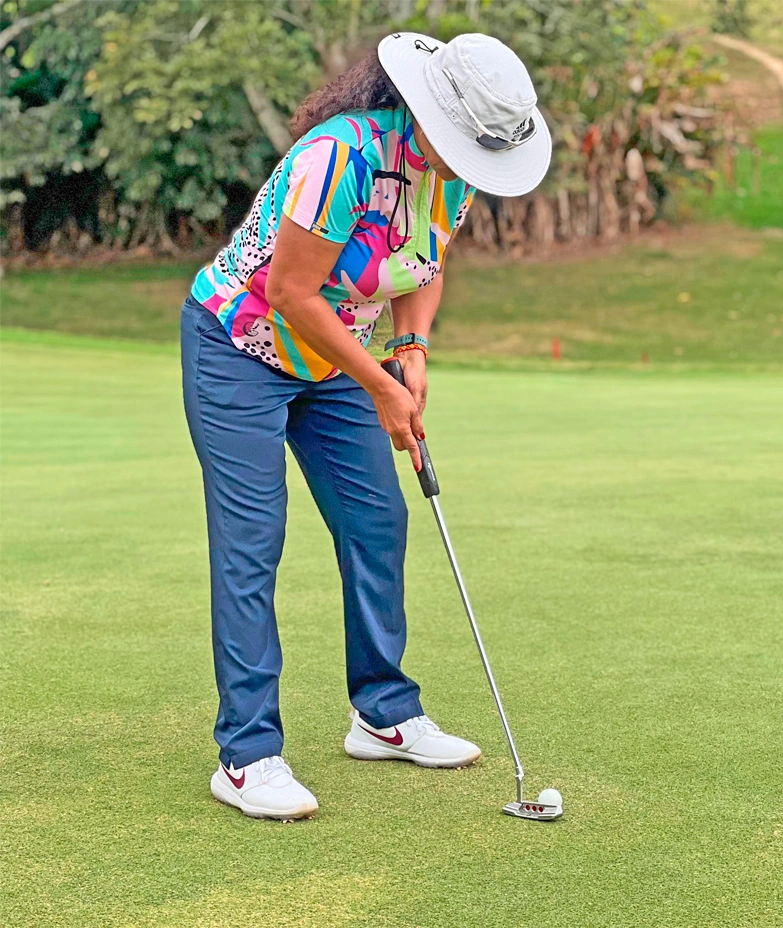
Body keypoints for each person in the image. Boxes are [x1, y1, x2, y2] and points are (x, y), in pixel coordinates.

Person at [181, 32, 551, 820]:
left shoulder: (451, 176)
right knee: (252, 543)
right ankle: (247, 754)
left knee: (377, 522)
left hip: (334, 358)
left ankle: (382, 713)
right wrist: (380, 383)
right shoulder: (340, 159)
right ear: (432, 117)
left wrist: (411, 347)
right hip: (239, 346)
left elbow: (424, 262)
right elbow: (291, 291)